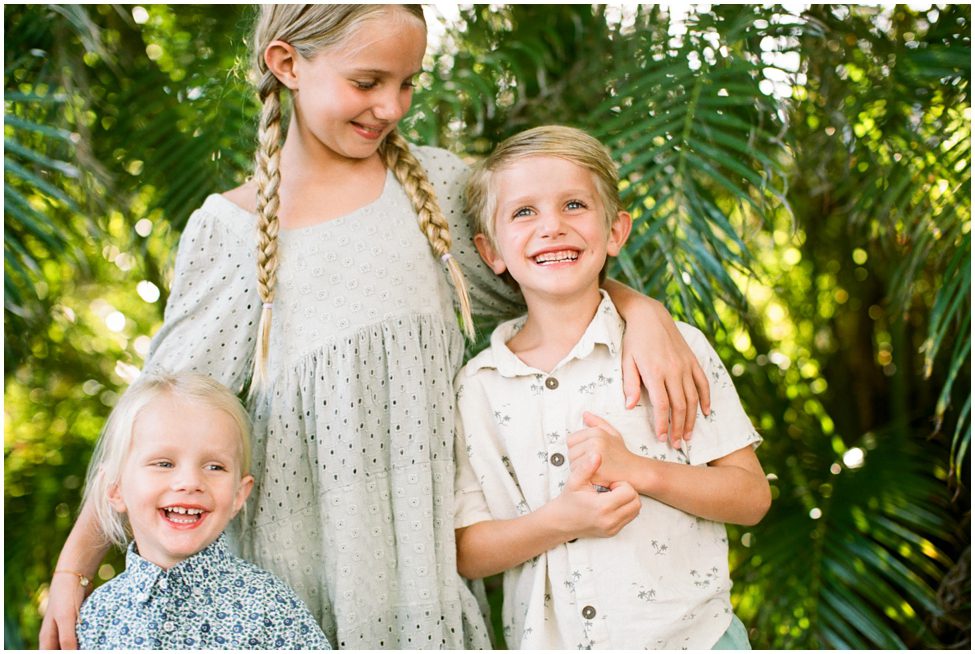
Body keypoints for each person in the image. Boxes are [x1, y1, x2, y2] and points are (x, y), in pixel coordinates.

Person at [39, 6, 712, 650]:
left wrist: (640, 310)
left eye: (406, 84)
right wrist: (73, 570)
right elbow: (154, 414)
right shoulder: (231, 232)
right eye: (367, 82)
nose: (390, 107)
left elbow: (552, 267)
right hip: (292, 587)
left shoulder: (441, 191)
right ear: (287, 63)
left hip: (423, 582)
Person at [453, 125, 772, 649]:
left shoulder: (674, 350)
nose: (551, 227)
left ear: (616, 231)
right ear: (492, 252)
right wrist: (560, 521)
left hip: (695, 640)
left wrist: (642, 471)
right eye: (524, 212)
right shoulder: (478, 389)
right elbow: (469, 550)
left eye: (574, 205)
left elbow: (751, 496)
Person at [73, 372, 330, 649]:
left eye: (214, 467)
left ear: (238, 495)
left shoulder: (272, 609)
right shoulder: (98, 616)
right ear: (115, 488)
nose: (190, 483)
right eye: (164, 463)